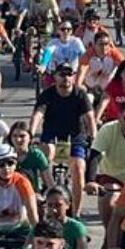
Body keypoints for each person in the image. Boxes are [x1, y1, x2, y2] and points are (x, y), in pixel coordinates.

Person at [30, 64, 98, 216]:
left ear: (73, 77)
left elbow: (90, 118)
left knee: (79, 168)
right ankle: (50, 189)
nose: (65, 78)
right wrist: (30, 132)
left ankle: (76, 213)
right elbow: (38, 114)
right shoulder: (47, 94)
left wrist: (93, 136)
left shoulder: (80, 94)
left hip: (76, 137)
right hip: (52, 135)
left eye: (69, 74)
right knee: (47, 153)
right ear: (55, 76)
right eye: (62, 74)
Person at [11, 121, 53, 192]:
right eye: (14, 136)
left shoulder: (36, 155)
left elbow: (49, 183)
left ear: (30, 138)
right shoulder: (6, 154)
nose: (18, 140)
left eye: (22, 136)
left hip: (32, 194)